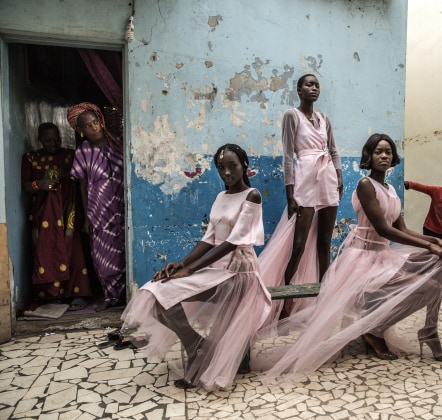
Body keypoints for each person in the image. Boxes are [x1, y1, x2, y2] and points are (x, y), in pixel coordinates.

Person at [254, 134, 442, 385]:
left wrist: (437, 243)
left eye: (388, 152)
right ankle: (374, 328)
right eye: (379, 152)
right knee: (427, 274)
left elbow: (401, 228)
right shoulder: (365, 185)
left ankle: (428, 330)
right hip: (362, 258)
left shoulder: (391, 189)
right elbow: (384, 230)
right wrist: (429, 245)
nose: (384, 156)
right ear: (369, 157)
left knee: (439, 267)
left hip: (383, 256)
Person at [121, 143, 271, 390]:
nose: (227, 173)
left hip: (239, 272)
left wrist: (191, 270)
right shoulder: (220, 197)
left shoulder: (252, 195)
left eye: (232, 166)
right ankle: (198, 347)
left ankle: (198, 352)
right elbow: (209, 238)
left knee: (166, 295)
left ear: (245, 165)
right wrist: (181, 263)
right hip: (216, 269)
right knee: (156, 291)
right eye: (221, 167)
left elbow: (233, 241)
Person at [258, 73, 342, 321]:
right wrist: (289, 193)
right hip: (304, 178)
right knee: (298, 245)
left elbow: (334, 150)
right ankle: (285, 299)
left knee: (324, 243)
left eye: (317, 84)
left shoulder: (324, 118)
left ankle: (324, 297)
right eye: (309, 84)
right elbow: (287, 155)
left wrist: (339, 176)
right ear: (299, 89)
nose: (314, 88)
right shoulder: (291, 116)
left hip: (326, 177)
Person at [21, 122, 92, 309]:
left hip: (69, 210)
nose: (53, 143)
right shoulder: (30, 158)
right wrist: (40, 184)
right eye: (48, 140)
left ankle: (78, 293)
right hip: (43, 214)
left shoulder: (69, 155)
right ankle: (51, 295)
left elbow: (81, 179)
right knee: (47, 249)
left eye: (56, 139)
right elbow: (26, 186)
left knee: (72, 248)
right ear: (39, 139)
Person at [67, 102, 125, 312]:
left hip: (124, 207)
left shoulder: (119, 143)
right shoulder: (83, 151)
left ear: (101, 121)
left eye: (95, 122)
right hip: (99, 210)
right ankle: (110, 296)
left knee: (125, 251)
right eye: (87, 126)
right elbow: (82, 183)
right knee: (103, 256)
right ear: (80, 131)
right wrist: (87, 217)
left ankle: (128, 294)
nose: (94, 128)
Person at [405, 169, 442, 292]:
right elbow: (423, 187)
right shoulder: (437, 191)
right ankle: (424, 280)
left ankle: (441, 282)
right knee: (428, 256)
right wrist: (408, 184)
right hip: (430, 229)